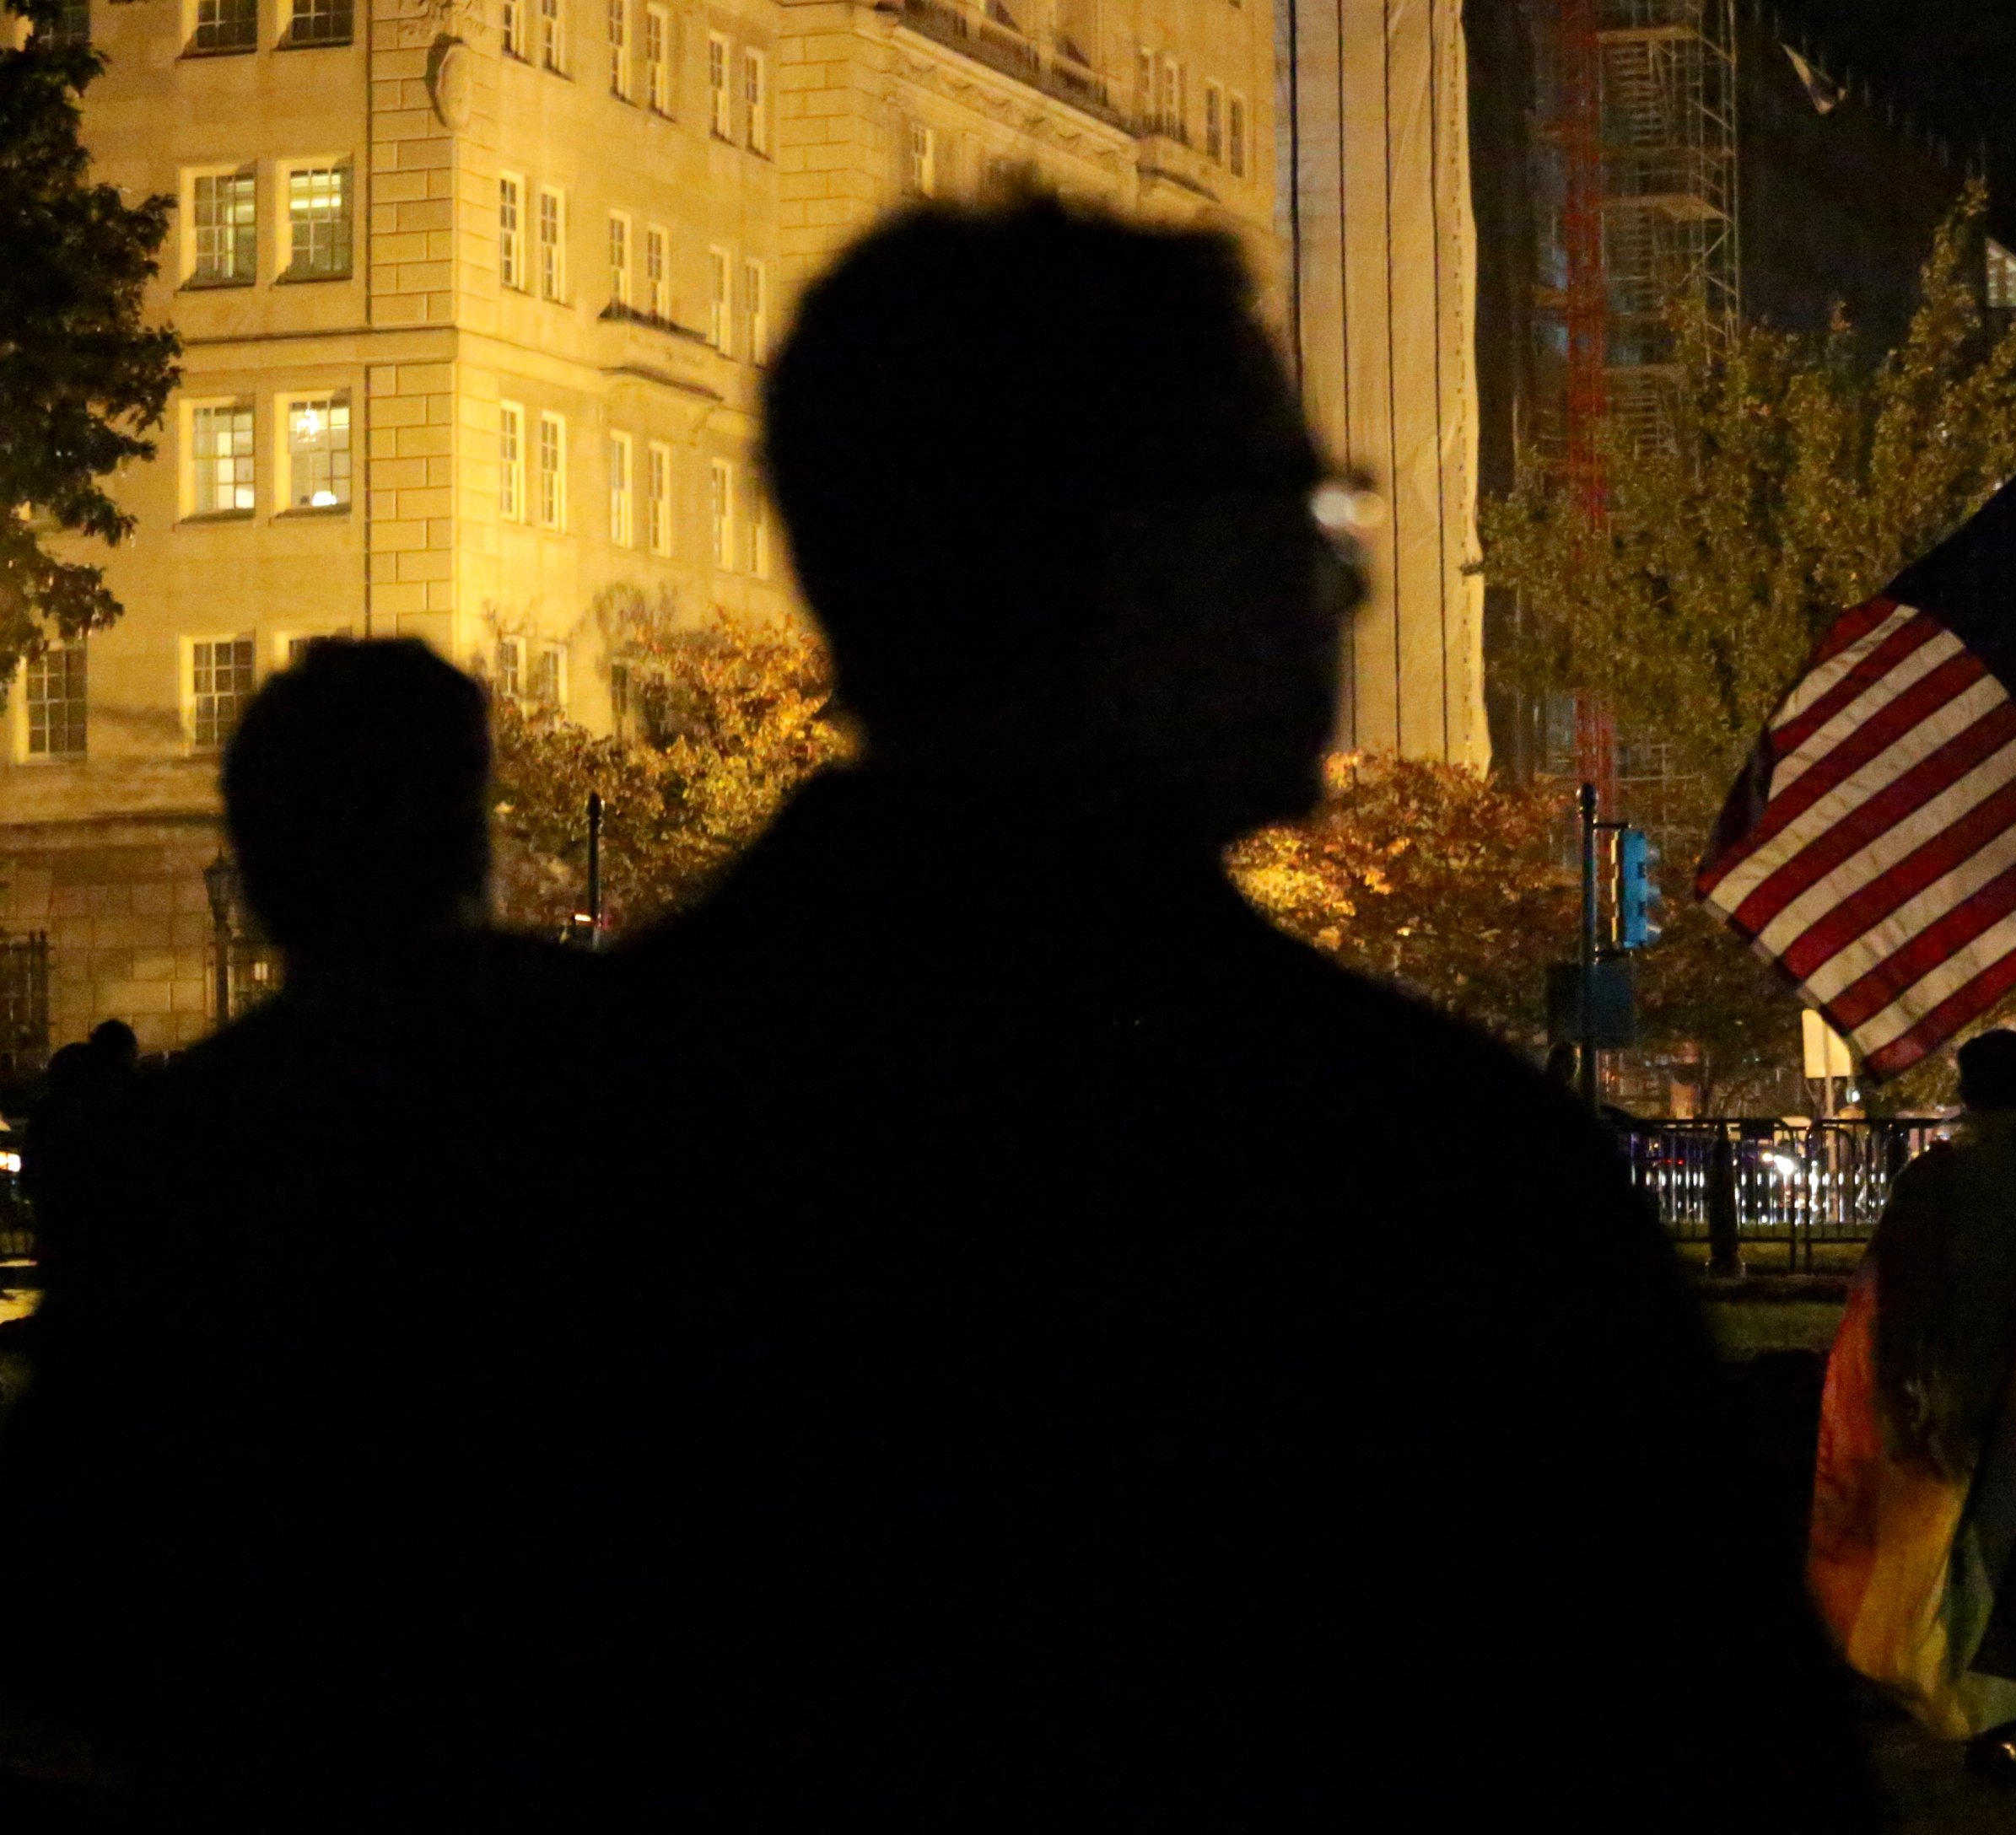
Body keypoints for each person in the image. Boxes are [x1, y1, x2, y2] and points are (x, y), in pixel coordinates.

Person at [601, 196, 1879, 1823]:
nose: (1339, 594)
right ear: (1129, 560)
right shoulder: (1429, 1189)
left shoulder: (553, 1145)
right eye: (1301, 509)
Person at [0, 641, 600, 1824]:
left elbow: (67, 1551)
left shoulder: (182, 1149)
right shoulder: (633, 1067)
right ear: (473, 835)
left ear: (264, 877)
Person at [1808, 1028, 2016, 1784]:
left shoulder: (1932, 1178)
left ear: (1963, 1093)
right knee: (2015, 1551)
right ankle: (1992, 1719)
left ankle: (1949, 1690)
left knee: (1946, 1545)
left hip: (1941, 1389)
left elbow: (1892, 1291)